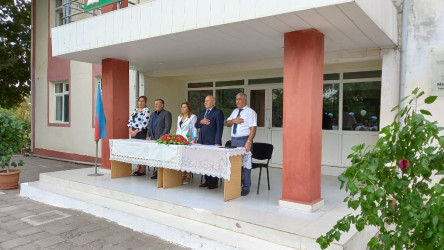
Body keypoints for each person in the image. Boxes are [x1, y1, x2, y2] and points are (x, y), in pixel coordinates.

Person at [226, 93, 257, 196]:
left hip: (244, 140)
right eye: (236, 99)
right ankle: (236, 185)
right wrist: (234, 120)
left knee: (245, 165)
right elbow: (227, 123)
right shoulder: (235, 111)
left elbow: (253, 128)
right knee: (235, 164)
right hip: (234, 140)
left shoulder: (250, 112)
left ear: (245, 101)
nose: (237, 101)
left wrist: (249, 141)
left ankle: (246, 187)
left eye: (239, 99)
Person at [195, 95, 224, 189]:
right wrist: (201, 122)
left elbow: (220, 128)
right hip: (202, 141)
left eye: (207, 100)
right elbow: (196, 125)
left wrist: (217, 141)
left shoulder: (218, 112)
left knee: (213, 162)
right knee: (204, 162)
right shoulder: (202, 112)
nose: (205, 102)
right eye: (205, 101)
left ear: (213, 102)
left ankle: (214, 182)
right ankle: (207, 180)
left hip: (212, 142)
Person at [147, 99, 172, 179]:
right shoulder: (152, 114)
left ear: (162, 105)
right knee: (155, 156)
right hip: (152, 139)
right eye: (155, 104)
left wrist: (162, 137)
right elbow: (149, 126)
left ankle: (159, 173)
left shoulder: (166, 114)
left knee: (161, 156)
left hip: (161, 139)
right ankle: (156, 172)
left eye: (158, 104)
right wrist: (148, 135)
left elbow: (167, 127)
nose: (156, 105)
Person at [127, 96, 150, 176]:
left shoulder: (146, 110)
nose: (140, 103)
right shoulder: (135, 110)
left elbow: (144, 123)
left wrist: (135, 131)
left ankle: (143, 169)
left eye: (142, 101)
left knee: (142, 150)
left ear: (145, 102)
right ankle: (138, 168)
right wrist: (130, 130)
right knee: (136, 150)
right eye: (139, 101)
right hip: (133, 132)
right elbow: (130, 120)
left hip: (141, 132)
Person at [176, 102, 197, 184]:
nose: (182, 108)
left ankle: (188, 176)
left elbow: (194, 129)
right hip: (180, 139)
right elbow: (178, 128)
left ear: (188, 108)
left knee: (188, 158)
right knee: (181, 158)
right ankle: (182, 174)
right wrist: (176, 138)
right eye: (182, 107)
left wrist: (194, 139)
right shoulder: (179, 117)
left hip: (188, 139)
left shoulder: (192, 117)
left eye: (184, 107)